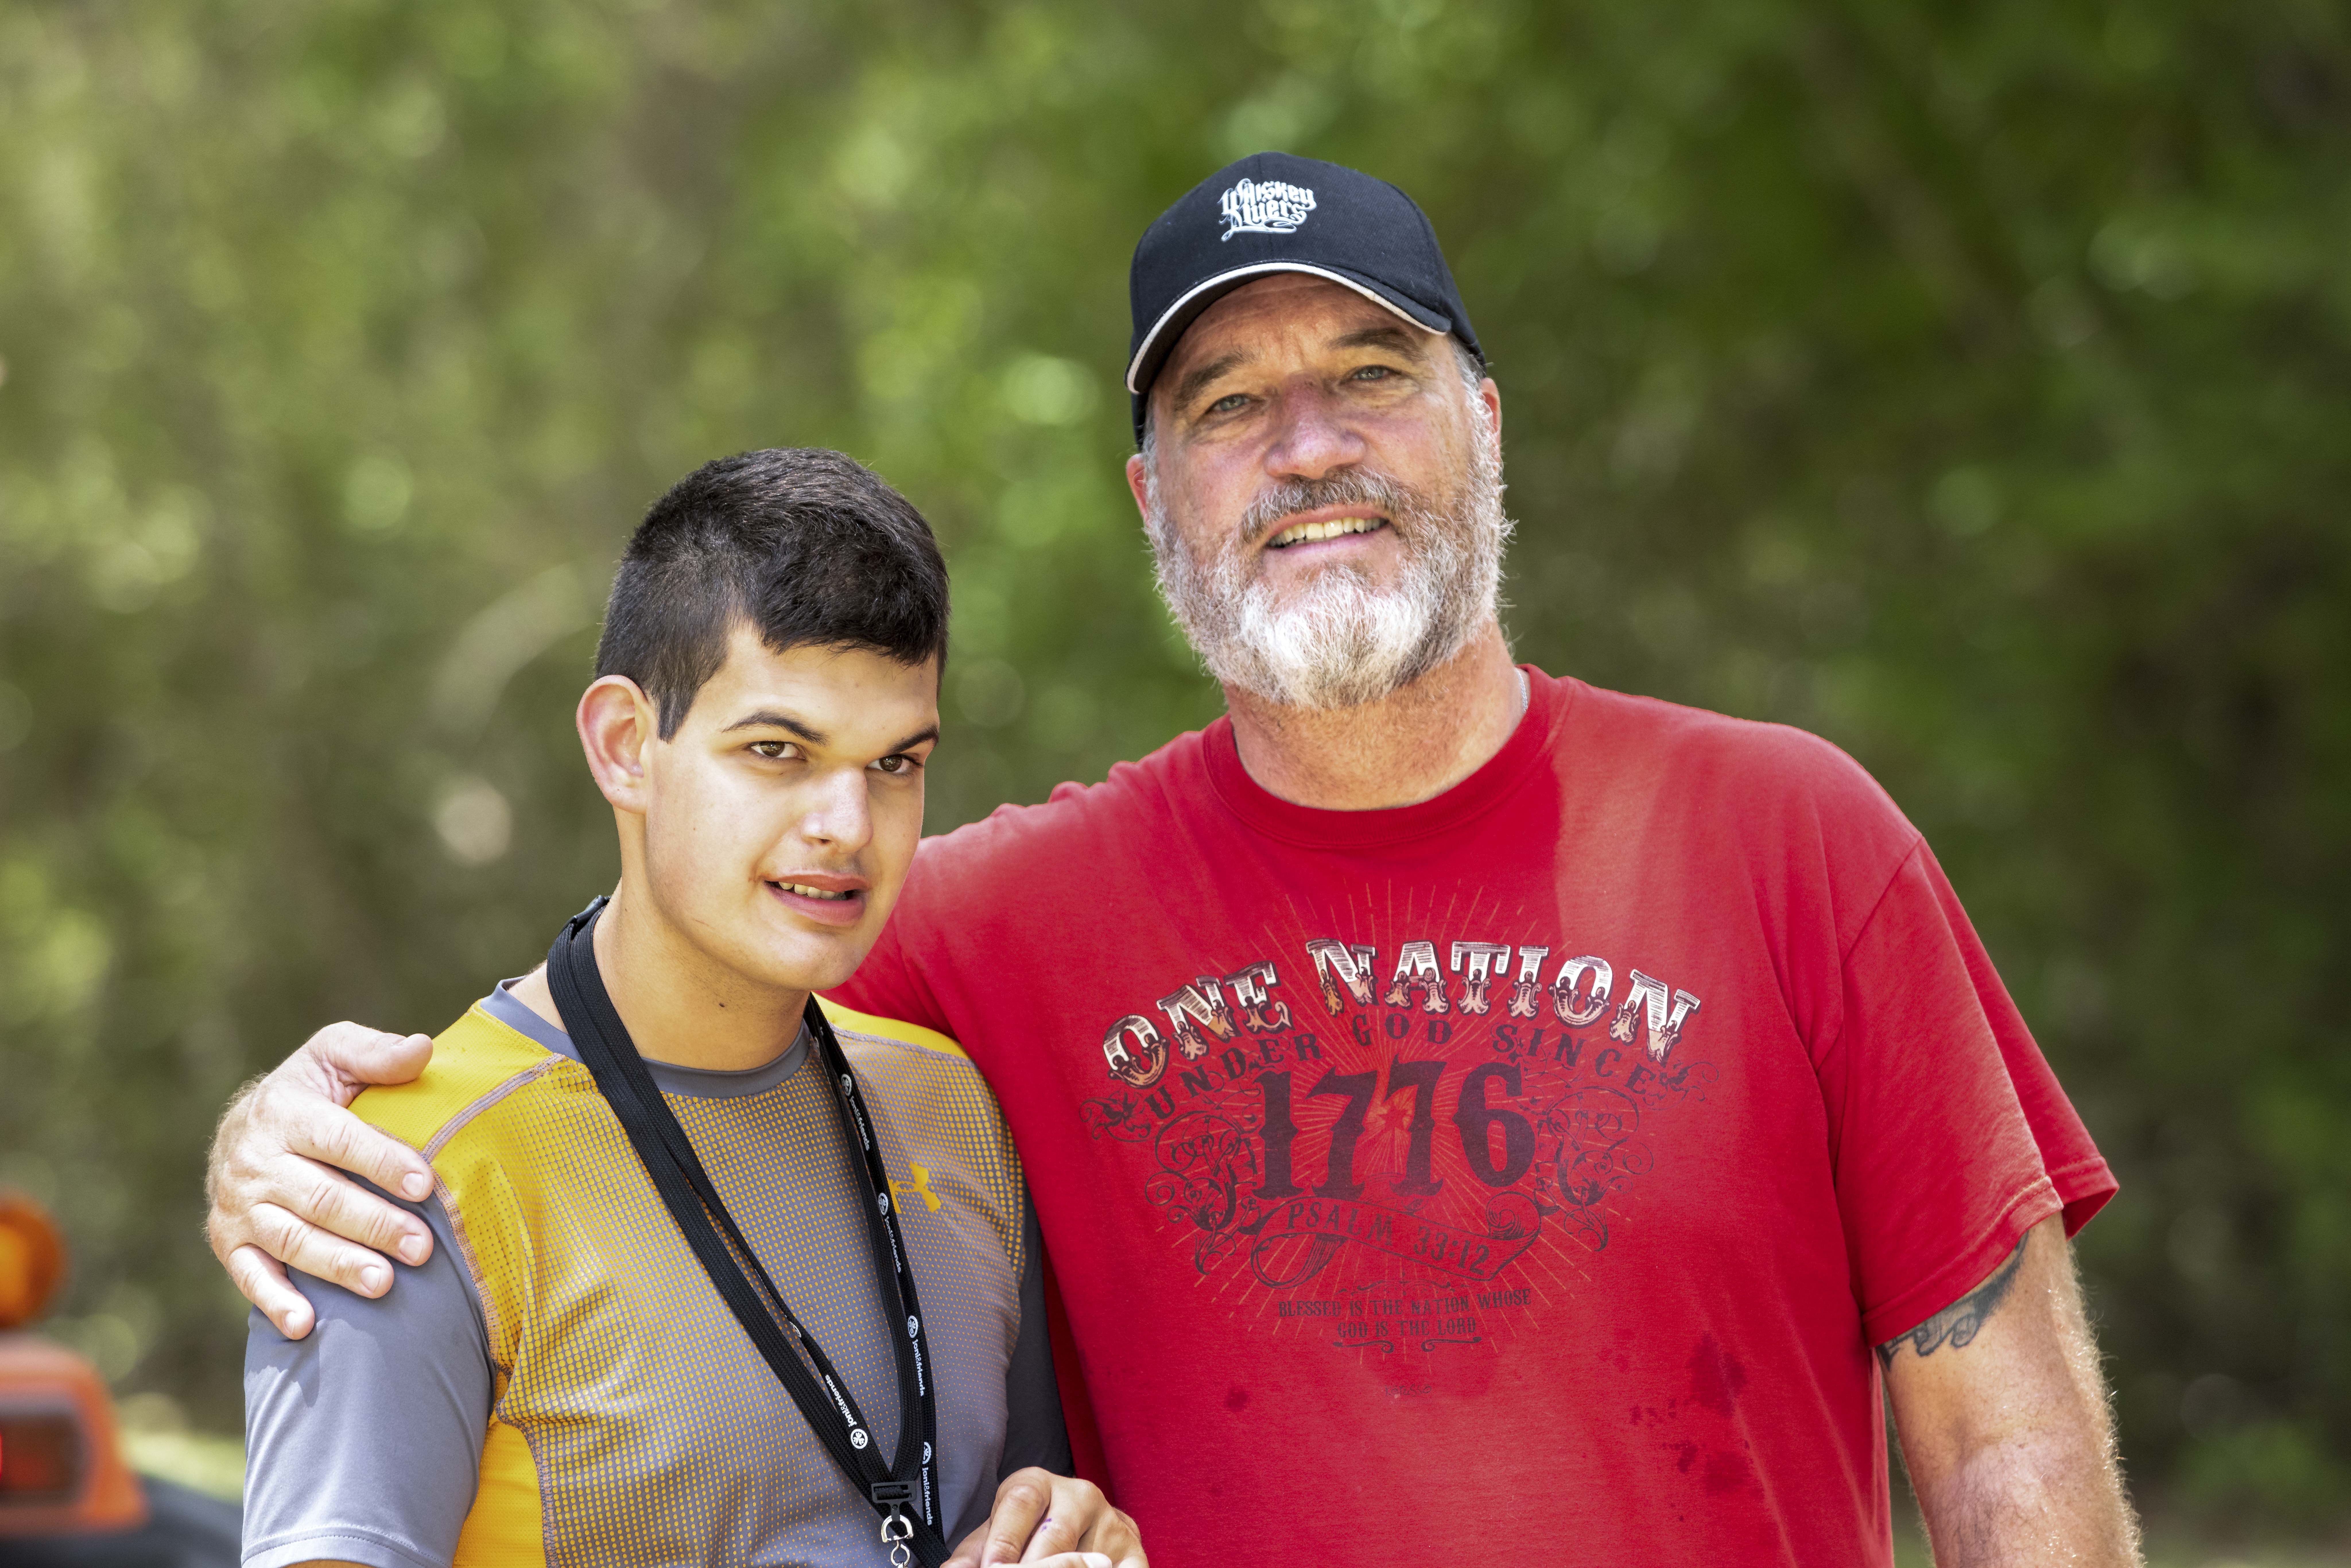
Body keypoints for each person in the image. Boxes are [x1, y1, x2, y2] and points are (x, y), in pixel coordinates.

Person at [209, 155, 2141, 1564]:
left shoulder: (1789, 837)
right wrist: (312, 1123)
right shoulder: (989, 924)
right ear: (1155, 498)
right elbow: (635, 1033)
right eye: (1225, 405)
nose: (1308, 444)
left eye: (1370, 372)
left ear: (1484, 419)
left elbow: (2006, 1453)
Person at [233, 449, 1142, 1568]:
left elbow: (1025, 1515)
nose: (847, 826)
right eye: (777, 751)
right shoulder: (397, 1179)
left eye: (895, 762)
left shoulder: (949, 1107)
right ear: (625, 746)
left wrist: (1075, 1536)